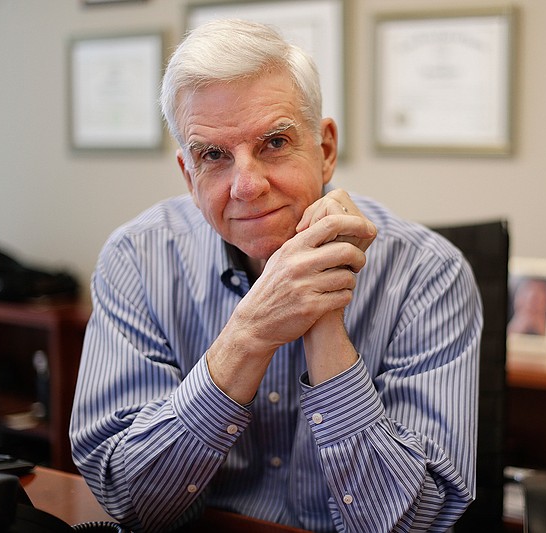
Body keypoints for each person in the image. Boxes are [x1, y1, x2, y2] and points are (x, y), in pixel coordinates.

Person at [69, 19, 481, 533]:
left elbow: (414, 523)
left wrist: (322, 316)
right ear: (187, 174)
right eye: (213, 156)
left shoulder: (429, 274)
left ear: (325, 149)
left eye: (274, 142)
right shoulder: (136, 258)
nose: (246, 185)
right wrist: (250, 333)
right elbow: (129, 500)